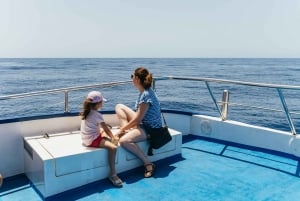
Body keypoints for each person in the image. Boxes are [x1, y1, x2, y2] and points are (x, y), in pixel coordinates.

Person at [115, 67, 162, 178]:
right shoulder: (144, 92)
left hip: (150, 128)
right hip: (144, 122)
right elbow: (138, 116)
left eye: (132, 76)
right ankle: (128, 131)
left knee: (124, 141)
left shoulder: (146, 95)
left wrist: (122, 129)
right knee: (119, 106)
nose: (131, 79)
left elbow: (137, 119)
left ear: (137, 79)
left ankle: (148, 163)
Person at [80, 91, 122, 187]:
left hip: (86, 139)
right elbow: (107, 129)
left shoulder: (86, 112)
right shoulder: (97, 115)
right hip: (92, 140)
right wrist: (113, 137)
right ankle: (113, 174)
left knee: (102, 132)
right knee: (113, 147)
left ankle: (108, 138)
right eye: (102, 102)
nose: (102, 103)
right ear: (98, 103)